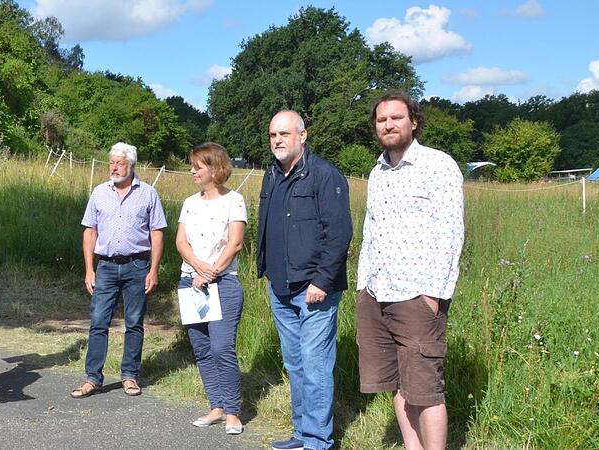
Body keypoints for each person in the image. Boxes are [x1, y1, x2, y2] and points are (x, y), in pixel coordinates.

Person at [356, 92, 464, 450]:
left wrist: (432, 295)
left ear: (413, 122)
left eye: (396, 118)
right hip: (377, 293)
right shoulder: (377, 172)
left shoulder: (438, 165)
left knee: (425, 390)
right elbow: (371, 230)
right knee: (398, 385)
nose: (388, 124)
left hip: (417, 295)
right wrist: (362, 285)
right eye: (381, 120)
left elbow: (451, 233)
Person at [257, 111, 352, 450]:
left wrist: (322, 282)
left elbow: (339, 234)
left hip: (314, 290)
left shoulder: (325, 175)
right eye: (272, 135)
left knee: (314, 366)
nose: (277, 140)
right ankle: (302, 433)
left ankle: (317, 441)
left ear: (303, 135)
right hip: (280, 287)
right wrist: (266, 270)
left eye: (284, 133)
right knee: (295, 364)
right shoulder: (271, 175)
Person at [72, 142, 167, 399]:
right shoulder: (99, 193)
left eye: (119, 163)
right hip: (105, 266)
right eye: (111, 162)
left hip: (137, 265)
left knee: (134, 323)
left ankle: (129, 376)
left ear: (131, 165)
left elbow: (157, 233)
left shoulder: (148, 194)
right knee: (98, 322)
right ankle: (93, 378)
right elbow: (89, 231)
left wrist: (154, 269)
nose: (114, 167)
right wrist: (89, 269)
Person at [175, 143, 247, 435]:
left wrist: (211, 272)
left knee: (221, 347)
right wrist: (196, 267)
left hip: (223, 283)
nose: (192, 171)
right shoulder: (190, 203)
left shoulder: (235, 200)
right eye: (192, 166)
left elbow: (235, 244)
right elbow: (181, 242)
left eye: (198, 166)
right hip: (190, 282)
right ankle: (216, 406)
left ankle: (232, 411)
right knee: (202, 348)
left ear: (215, 169)